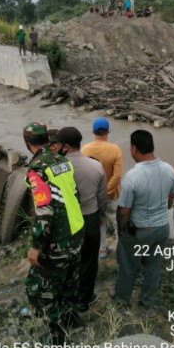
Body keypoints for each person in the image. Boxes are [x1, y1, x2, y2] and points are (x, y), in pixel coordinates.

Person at [23, 122, 84, 343]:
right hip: (76, 231)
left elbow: (45, 212)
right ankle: (72, 319)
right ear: (48, 141)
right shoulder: (62, 160)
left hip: (57, 239)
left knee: (38, 289)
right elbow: (71, 194)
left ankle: (59, 336)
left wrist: (36, 246)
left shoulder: (37, 169)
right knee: (69, 281)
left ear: (27, 143)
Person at [112, 130, 174, 311]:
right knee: (152, 267)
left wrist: (121, 231)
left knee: (128, 268)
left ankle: (122, 300)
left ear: (133, 148)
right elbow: (171, 200)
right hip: (162, 227)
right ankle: (147, 302)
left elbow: (124, 211)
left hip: (140, 231)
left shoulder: (132, 176)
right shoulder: (169, 169)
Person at [54, 127, 108, 312]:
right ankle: (84, 299)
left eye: (58, 144)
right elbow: (102, 198)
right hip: (90, 218)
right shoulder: (96, 166)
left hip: (66, 221)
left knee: (67, 260)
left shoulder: (56, 169)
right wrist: (100, 215)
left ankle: (64, 298)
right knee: (89, 260)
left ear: (66, 147)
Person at [81, 118, 122, 259]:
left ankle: (102, 250)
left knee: (100, 222)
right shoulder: (115, 149)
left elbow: (84, 174)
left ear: (93, 131)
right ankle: (121, 251)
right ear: (108, 131)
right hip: (112, 195)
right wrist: (106, 192)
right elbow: (117, 176)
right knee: (117, 222)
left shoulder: (85, 149)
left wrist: (97, 193)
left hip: (92, 196)